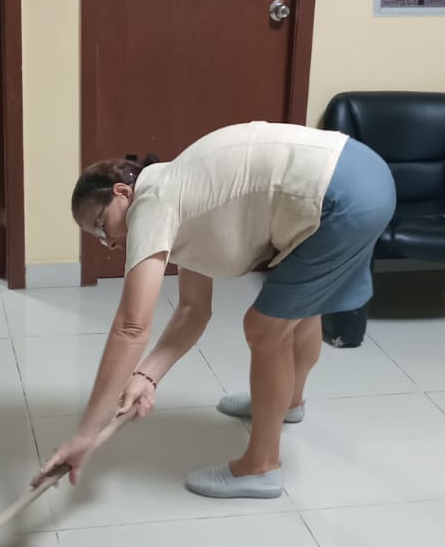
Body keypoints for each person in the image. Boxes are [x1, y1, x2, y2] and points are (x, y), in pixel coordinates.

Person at [34, 121, 396, 499]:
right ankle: (287, 402)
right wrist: (147, 375)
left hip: (343, 195)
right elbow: (193, 310)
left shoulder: (151, 204)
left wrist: (86, 434)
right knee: (299, 309)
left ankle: (260, 467)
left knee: (264, 328)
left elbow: (131, 327)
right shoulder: (181, 192)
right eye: (97, 238)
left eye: (100, 225)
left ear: (122, 192)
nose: (108, 243)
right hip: (363, 173)